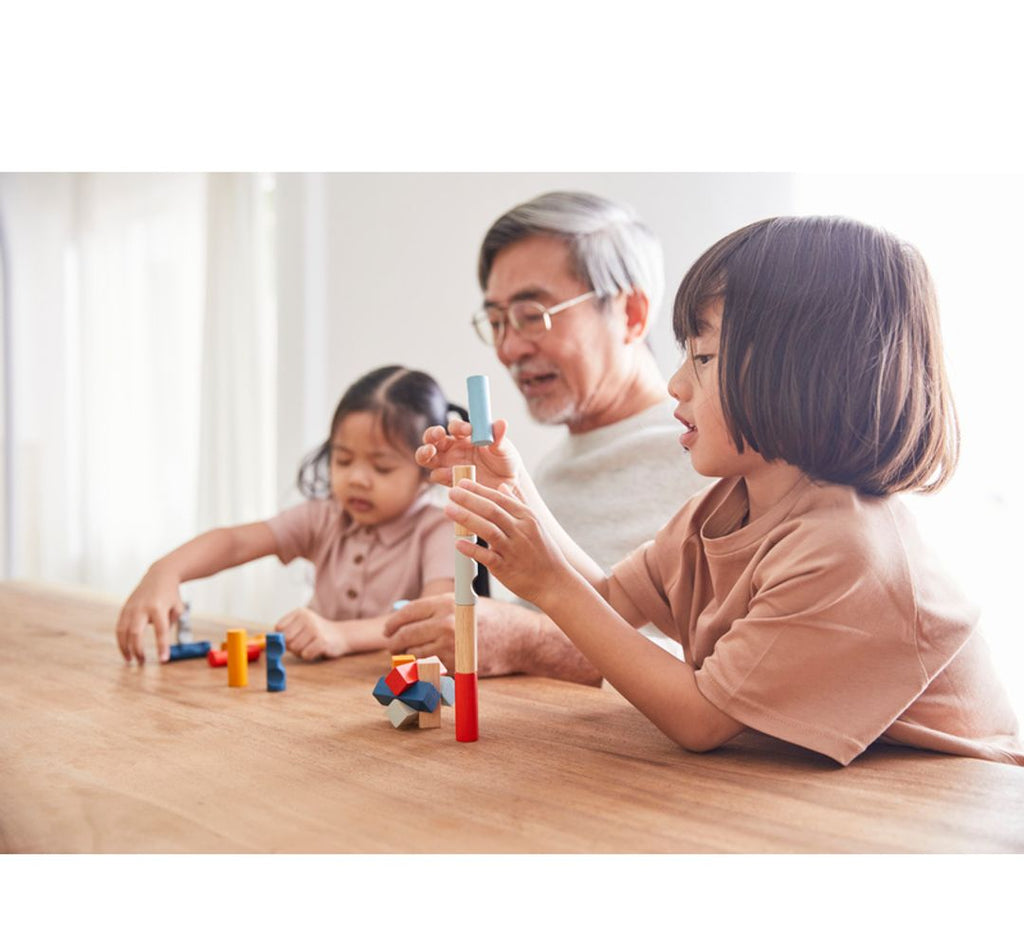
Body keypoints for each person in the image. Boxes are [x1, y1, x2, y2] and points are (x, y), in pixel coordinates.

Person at [424, 215, 1023, 766]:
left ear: (805, 374)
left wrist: (549, 583)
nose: (676, 384)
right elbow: (611, 601)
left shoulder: (846, 546)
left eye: (705, 357)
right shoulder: (724, 504)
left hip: (956, 803)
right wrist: (515, 487)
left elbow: (700, 719)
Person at [384, 191, 705, 683]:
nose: (509, 348)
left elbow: (737, 671)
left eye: (532, 315)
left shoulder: (708, 455)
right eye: (495, 322)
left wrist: (529, 642)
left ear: (632, 313)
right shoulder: (548, 471)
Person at [116, 365, 460, 665]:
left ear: (426, 471)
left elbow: (433, 617)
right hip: (314, 697)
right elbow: (236, 542)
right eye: (342, 460)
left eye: (381, 467)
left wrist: (340, 635)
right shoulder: (324, 516)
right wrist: (167, 570)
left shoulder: (439, 530)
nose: (356, 478)